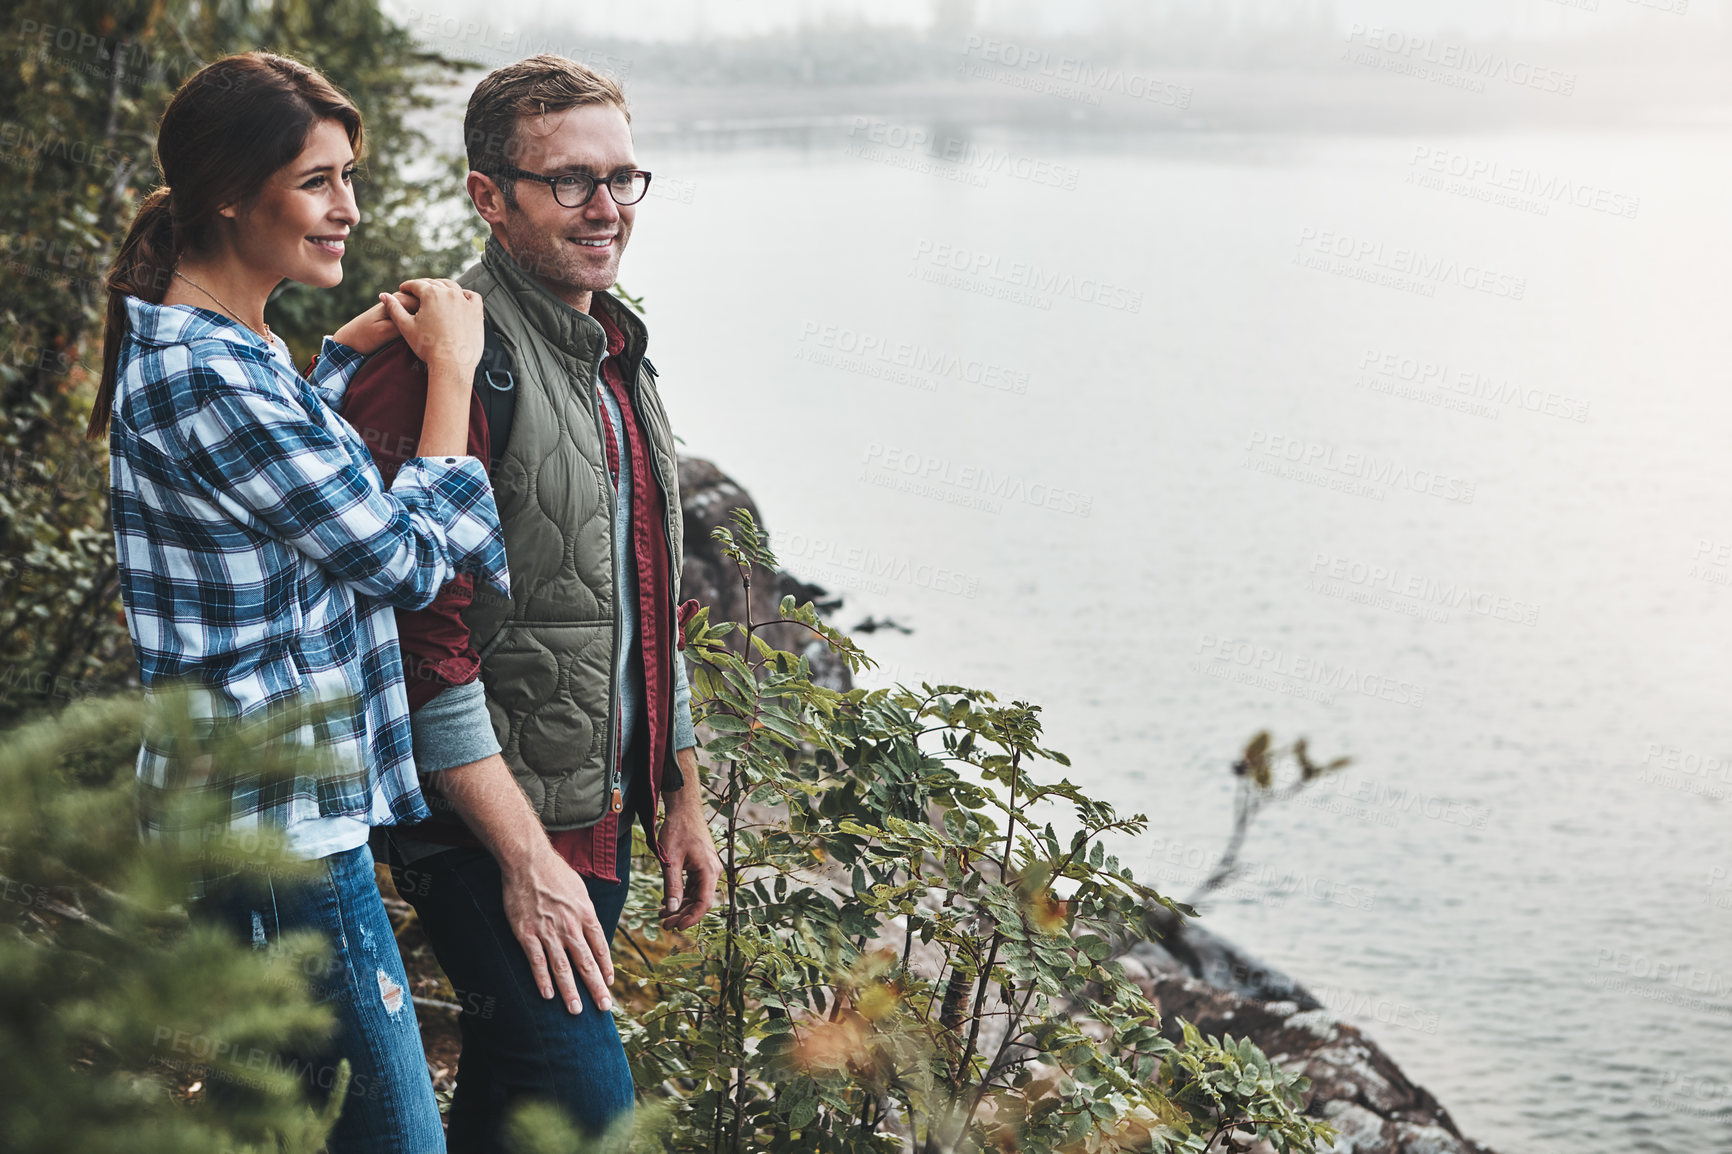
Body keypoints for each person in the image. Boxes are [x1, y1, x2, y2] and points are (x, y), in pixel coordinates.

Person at [93, 51, 509, 1153]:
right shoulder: (211, 374)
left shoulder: (229, 347)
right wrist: (453, 377)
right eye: (319, 180)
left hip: (257, 815)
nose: (347, 210)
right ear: (232, 190)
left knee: (278, 1130)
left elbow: (269, 504)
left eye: (350, 176)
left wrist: (335, 363)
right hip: (275, 829)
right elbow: (406, 560)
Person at [338, 54, 723, 1148]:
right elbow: (420, 642)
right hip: (483, 825)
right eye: (568, 181)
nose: (604, 208)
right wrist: (522, 859)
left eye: (622, 179)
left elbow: (646, 591)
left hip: (592, 816)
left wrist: (677, 786)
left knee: (516, 1103)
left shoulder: (616, 353)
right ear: (487, 196)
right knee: (593, 1118)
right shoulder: (439, 364)